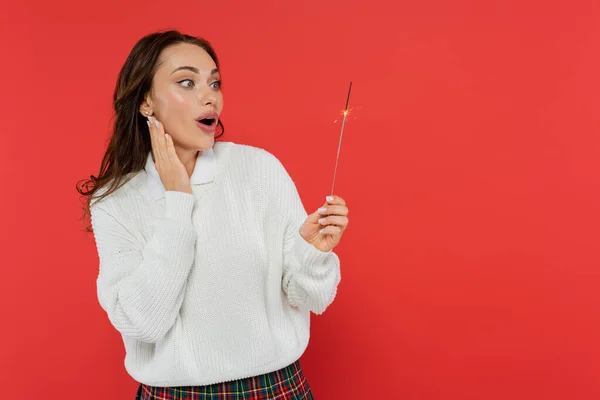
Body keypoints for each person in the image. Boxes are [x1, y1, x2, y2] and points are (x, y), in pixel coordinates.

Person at [76, 30, 349, 399]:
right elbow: (144, 323)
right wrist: (177, 201)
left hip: (275, 389)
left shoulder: (259, 169)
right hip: (173, 394)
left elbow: (313, 297)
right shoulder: (116, 201)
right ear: (146, 103)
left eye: (215, 83)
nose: (210, 97)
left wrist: (312, 252)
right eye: (186, 82)